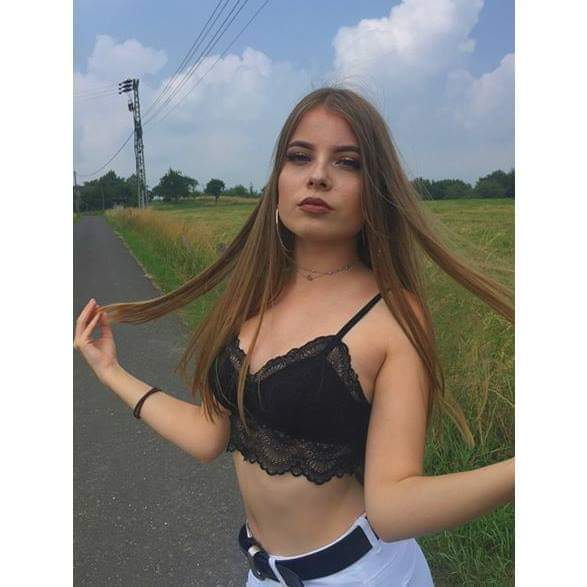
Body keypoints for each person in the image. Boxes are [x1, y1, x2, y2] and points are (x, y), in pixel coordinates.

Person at [74, 86, 515, 586]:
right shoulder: (249, 295)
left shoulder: (393, 314)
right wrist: (111, 371)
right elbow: (207, 436)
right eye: (300, 156)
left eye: (347, 162)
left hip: (359, 575)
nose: (318, 175)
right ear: (278, 180)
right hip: (265, 574)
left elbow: (392, 508)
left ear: (375, 191)